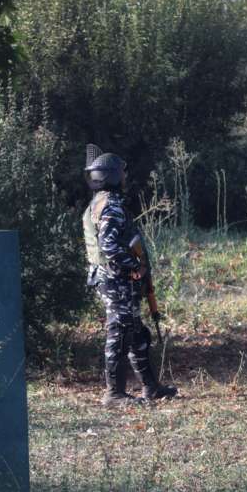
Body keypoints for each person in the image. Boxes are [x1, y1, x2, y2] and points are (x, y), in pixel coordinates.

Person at [82, 144, 177, 407]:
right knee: (120, 333)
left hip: (111, 277)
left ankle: (151, 388)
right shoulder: (110, 205)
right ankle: (114, 394)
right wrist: (134, 267)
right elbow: (109, 246)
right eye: (121, 173)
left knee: (136, 333)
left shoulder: (98, 203)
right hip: (115, 279)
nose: (124, 178)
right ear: (112, 176)